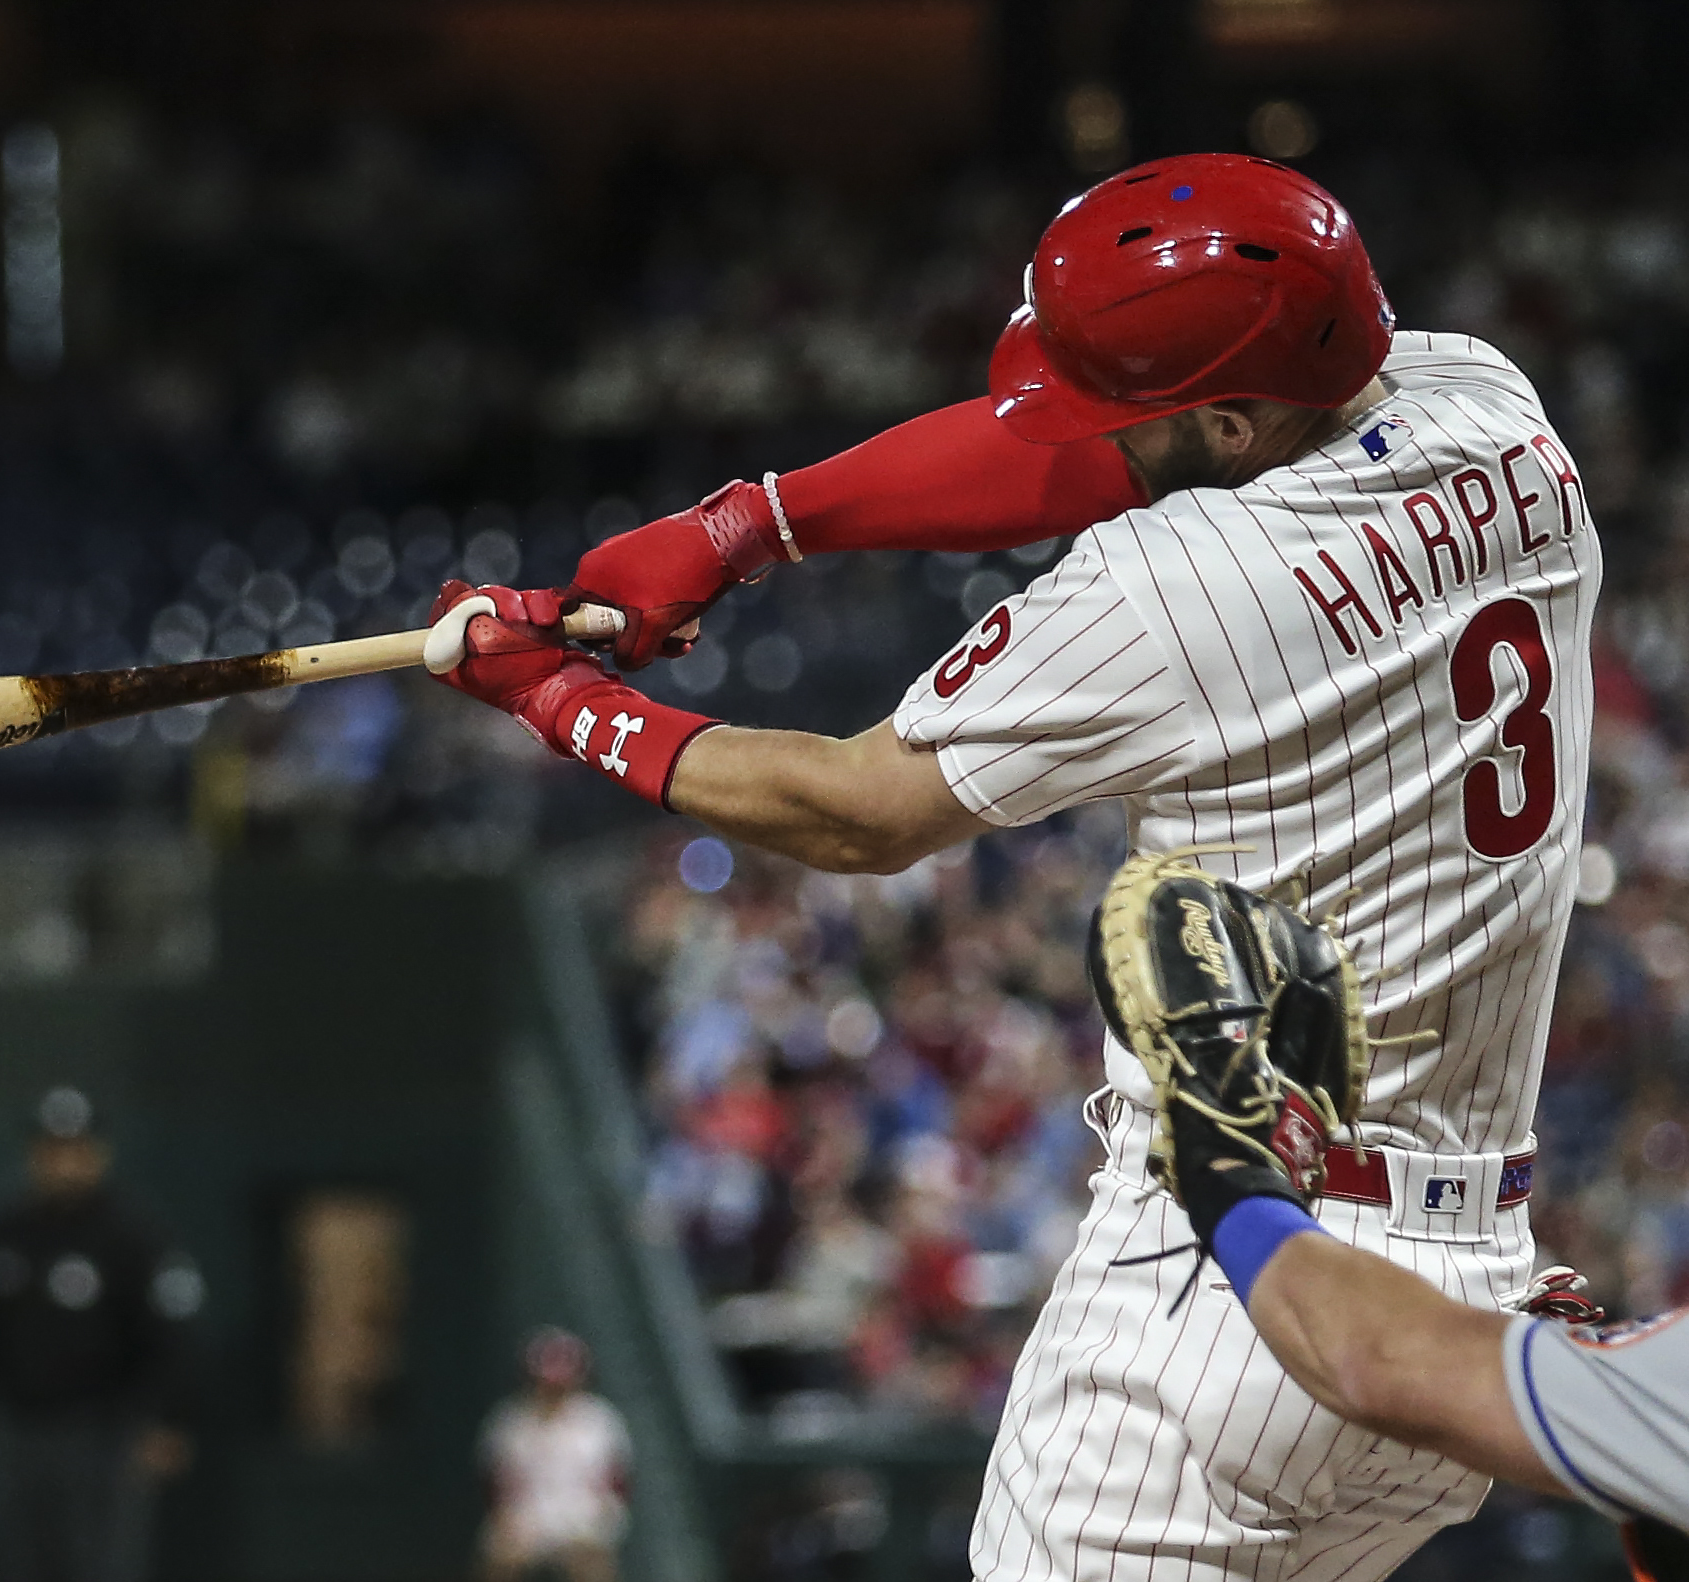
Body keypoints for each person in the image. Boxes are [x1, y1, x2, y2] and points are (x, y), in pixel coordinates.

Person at [432, 151, 1600, 1579]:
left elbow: (858, 809)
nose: (1092, 427)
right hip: (1463, 1295)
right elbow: (1106, 450)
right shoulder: (1491, 409)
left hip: (1229, 1285)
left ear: (1233, 418)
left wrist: (562, 703)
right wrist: (747, 526)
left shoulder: (1180, 585)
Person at [1084, 850, 1687, 1580]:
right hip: (1472, 1263)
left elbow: (1376, 1361)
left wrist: (1230, 1175)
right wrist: (1571, 1364)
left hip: (1297, 1311)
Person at [0, 1087, 203, 1582]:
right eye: (51, 1149)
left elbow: (168, 1337)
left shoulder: (133, 1235)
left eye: (75, 1149)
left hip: (103, 1429)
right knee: (24, 1562)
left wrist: (168, 1417)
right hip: (20, 1426)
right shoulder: (3, 1231)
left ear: (99, 1154)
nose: (63, 1163)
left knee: (98, 1563)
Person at [478, 1327, 633, 1582]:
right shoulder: (509, 1421)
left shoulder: (600, 1420)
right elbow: (494, 1485)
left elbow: (617, 1483)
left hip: (581, 1518)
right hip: (527, 1518)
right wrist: (507, 1519)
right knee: (499, 1560)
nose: (554, 1390)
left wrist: (605, 1518)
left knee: (594, 1564)